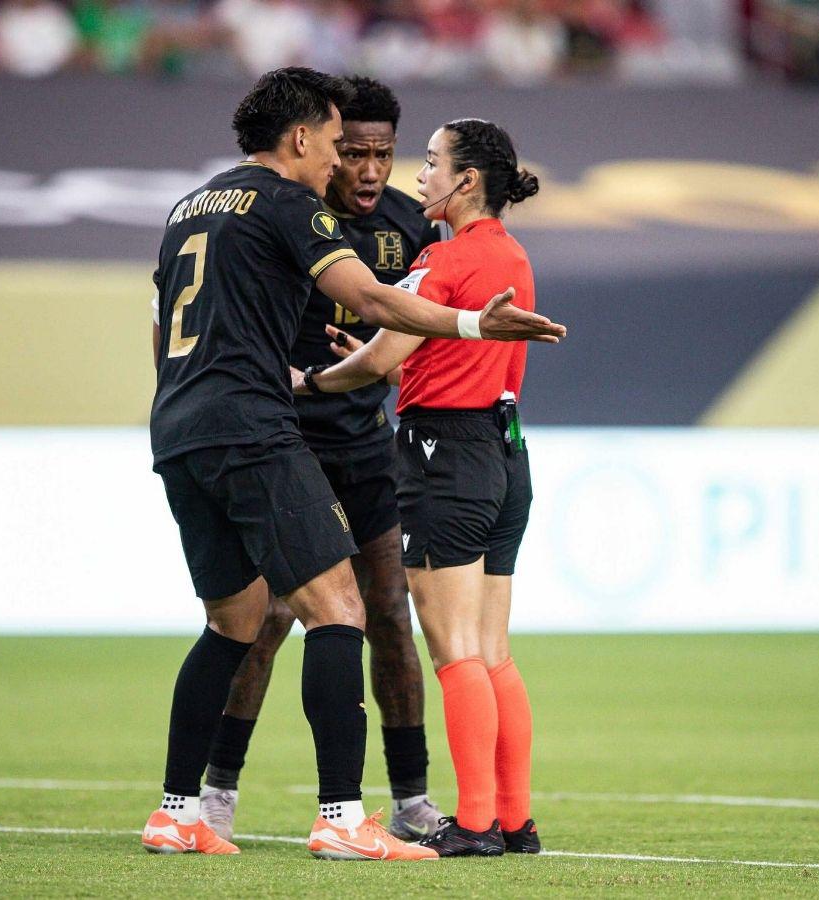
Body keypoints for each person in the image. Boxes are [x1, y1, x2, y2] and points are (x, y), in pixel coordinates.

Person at [144, 67, 564, 860]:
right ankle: (343, 819)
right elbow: (373, 305)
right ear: (301, 137)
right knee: (342, 610)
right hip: (269, 430)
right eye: (339, 145)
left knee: (232, 621)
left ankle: (178, 809)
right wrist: (475, 325)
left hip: (183, 426)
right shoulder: (290, 201)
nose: (349, 163)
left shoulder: (188, 205)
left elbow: (160, 318)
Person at [292, 118, 554, 857]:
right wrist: (383, 360)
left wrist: (311, 378)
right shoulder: (511, 253)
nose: (419, 176)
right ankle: (514, 819)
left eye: (432, 163)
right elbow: (429, 364)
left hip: (446, 457)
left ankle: (473, 825)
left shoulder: (442, 256)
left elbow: (382, 358)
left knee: (453, 648)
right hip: (504, 452)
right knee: (493, 647)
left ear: (468, 180)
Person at [199, 75, 442, 843]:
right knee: (268, 618)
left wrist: (396, 365)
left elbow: (416, 346)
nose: (368, 169)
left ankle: (410, 800)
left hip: (366, 448)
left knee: (389, 619)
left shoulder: (410, 227)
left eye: (384, 154)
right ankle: (217, 791)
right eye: (353, 151)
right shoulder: (279, 213)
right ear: (323, 147)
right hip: (284, 442)